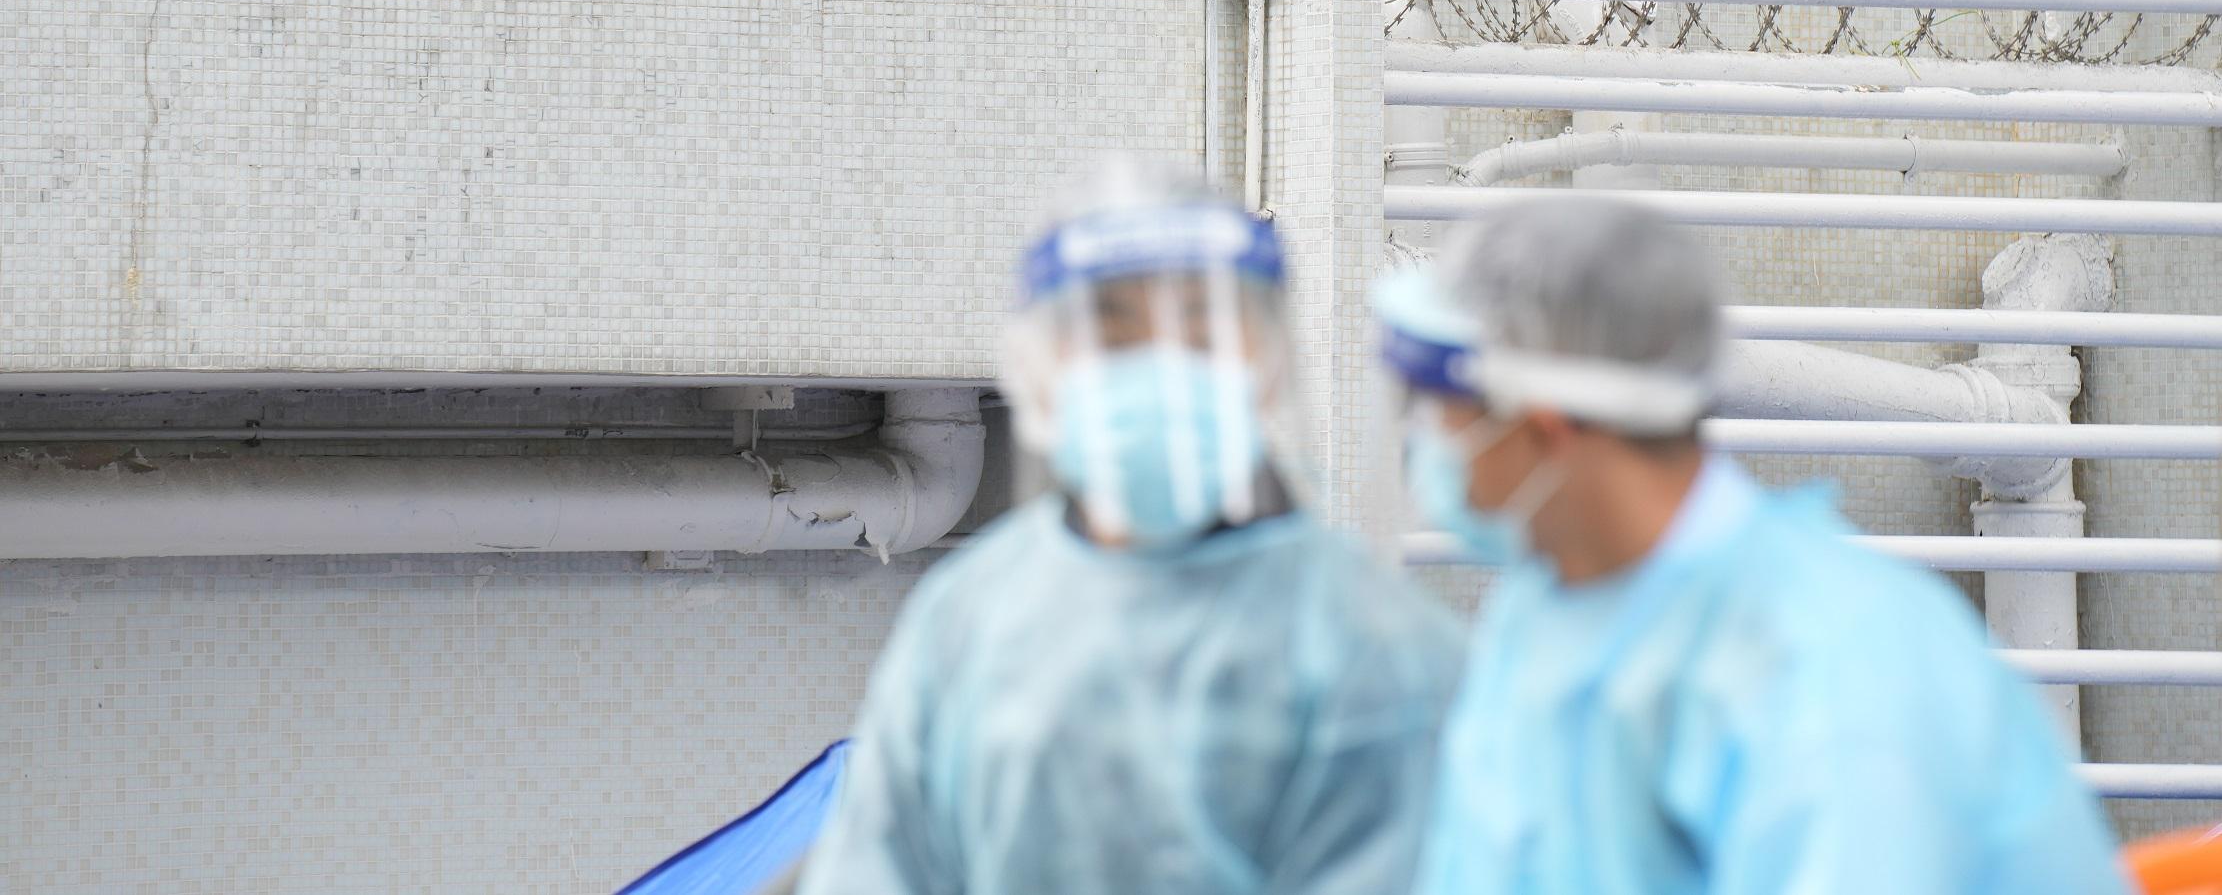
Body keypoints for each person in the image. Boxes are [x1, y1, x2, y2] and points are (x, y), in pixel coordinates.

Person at [1375, 195, 2129, 895]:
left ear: (1546, 428)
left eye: (1438, 411)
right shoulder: (1548, 609)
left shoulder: (1826, 662)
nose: (1420, 441)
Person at [798, 160, 1463, 895]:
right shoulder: (967, 622)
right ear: (1039, 366)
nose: (1161, 372)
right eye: (1114, 335)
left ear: (1271, 361)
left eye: (1201, 335)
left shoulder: (1378, 647)